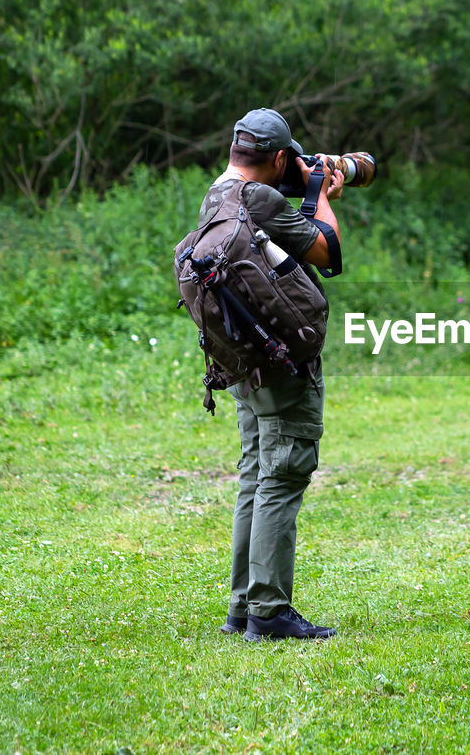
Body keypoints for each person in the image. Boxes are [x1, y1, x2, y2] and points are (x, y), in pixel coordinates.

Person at [199, 107, 344, 641]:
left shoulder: (218, 193)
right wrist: (320, 193)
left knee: (257, 474)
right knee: (283, 476)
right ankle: (269, 611)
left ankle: (243, 605)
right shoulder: (263, 200)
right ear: (280, 157)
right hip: (282, 358)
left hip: (243, 355)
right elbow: (327, 251)